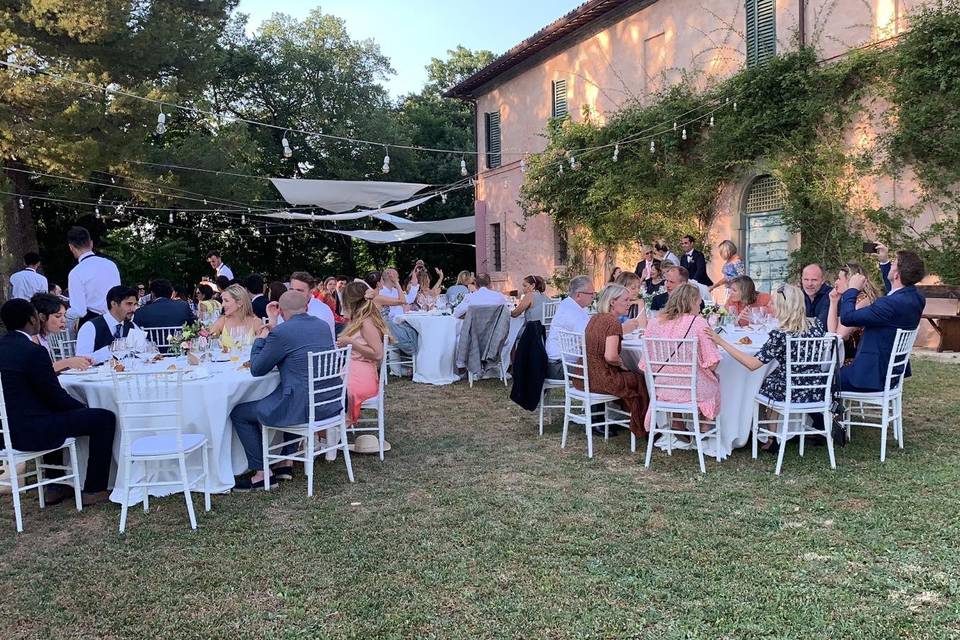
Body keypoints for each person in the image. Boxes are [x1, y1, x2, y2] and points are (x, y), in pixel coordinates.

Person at [0, 299, 115, 505]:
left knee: (56, 416)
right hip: (33, 432)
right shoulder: (33, 351)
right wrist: (83, 408)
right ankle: (94, 488)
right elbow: (55, 396)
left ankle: (55, 485)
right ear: (32, 319)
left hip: (6, 432)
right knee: (103, 418)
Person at [229, 291, 339, 491]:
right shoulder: (321, 326)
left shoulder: (282, 333)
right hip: (330, 401)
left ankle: (262, 473)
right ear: (306, 307)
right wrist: (275, 323)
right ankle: (285, 462)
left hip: (301, 406)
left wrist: (261, 339)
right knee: (275, 396)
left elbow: (257, 369)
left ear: (281, 311)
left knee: (239, 413)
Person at [707, 284, 827, 450]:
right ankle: (773, 437)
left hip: (787, 389)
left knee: (761, 383)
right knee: (773, 377)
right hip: (814, 386)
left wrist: (721, 342)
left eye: (773, 303)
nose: (770, 306)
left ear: (783, 306)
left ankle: (770, 437)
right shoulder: (817, 326)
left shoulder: (781, 334)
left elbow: (752, 364)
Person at [838, 248, 925, 392]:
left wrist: (852, 290)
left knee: (816, 378)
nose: (891, 265)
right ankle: (834, 413)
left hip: (869, 376)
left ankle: (826, 415)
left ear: (897, 275)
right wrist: (884, 262)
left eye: (893, 264)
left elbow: (847, 318)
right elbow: (895, 289)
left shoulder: (887, 305)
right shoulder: (915, 297)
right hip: (889, 373)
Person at [641, 284, 721, 432]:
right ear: (691, 301)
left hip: (662, 388)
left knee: (683, 373)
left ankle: (677, 422)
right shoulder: (698, 322)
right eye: (699, 300)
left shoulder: (654, 323)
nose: (700, 304)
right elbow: (713, 363)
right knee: (715, 378)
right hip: (692, 389)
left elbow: (646, 362)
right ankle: (705, 424)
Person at [581, 283, 649, 437]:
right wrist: (622, 364)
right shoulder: (612, 322)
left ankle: (632, 419)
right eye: (625, 300)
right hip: (600, 378)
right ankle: (643, 426)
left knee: (634, 377)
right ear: (612, 302)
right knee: (640, 379)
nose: (629, 303)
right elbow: (610, 357)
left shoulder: (595, 318)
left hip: (585, 375)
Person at [336, 282, 388, 426]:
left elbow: (378, 354)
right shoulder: (358, 319)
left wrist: (351, 343)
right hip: (352, 371)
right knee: (327, 386)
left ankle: (333, 430)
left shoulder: (367, 322)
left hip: (361, 378)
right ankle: (331, 431)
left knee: (330, 391)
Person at [64, 226, 121, 329]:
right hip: (116, 320)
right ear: (91, 243)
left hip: (93, 324)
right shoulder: (111, 265)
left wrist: (64, 316)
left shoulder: (76, 273)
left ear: (71, 247)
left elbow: (79, 310)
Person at [827, 262, 882, 363]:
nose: (836, 282)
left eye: (839, 279)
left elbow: (839, 335)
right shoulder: (852, 299)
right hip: (849, 356)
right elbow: (832, 333)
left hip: (858, 361)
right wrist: (833, 302)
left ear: (850, 281)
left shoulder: (862, 300)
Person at [544, 275, 594, 379]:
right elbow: (591, 338)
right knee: (603, 371)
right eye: (591, 293)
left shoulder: (570, 305)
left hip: (559, 363)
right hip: (559, 366)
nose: (593, 296)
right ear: (579, 295)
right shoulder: (572, 311)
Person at [29, 293, 94, 373]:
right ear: (42, 317)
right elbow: (39, 370)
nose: (64, 320)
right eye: (57, 316)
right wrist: (68, 362)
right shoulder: (32, 339)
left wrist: (77, 362)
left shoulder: (43, 337)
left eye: (64, 315)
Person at [76, 285, 139, 363]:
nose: (133, 309)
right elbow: (81, 360)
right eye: (129, 304)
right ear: (114, 304)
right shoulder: (90, 327)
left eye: (135, 304)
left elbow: (143, 351)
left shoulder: (132, 326)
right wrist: (110, 350)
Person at [274, 271, 335, 342]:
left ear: (311, 292)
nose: (294, 294)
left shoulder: (322, 311)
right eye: (291, 290)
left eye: (299, 291)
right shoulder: (284, 307)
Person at [208, 283, 264, 348]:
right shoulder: (223, 321)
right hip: (226, 358)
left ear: (239, 303)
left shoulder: (256, 322)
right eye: (223, 301)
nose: (222, 305)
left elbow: (263, 348)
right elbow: (210, 340)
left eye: (226, 301)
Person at [801, 263, 832, 328]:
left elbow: (821, 324)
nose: (809, 284)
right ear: (802, 280)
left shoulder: (831, 296)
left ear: (823, 280)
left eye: (814, 280)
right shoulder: (799, 296)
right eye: (806, 279)